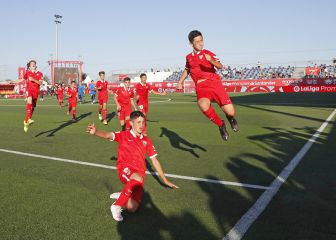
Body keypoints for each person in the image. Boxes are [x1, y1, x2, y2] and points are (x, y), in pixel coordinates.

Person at [86, 111, 178, 221]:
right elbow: (107, 135)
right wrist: (96, 132)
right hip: (124, 169)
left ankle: (123, 194)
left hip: (139, 175)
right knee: (137, 178)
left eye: (143, 122)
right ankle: (116, 206)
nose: (142, 125)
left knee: (132, 208)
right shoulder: (123, 135)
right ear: (131, 123)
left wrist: (165, 180)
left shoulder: (146, 140)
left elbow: (155, 160)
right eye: (138, 122)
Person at [177, 30, 238, 141]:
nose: (201, 43)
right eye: (197, 41)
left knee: (230, 112)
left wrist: (211, 61)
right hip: (202, 87)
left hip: (215, 84)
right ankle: (221, 124)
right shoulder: (188, 57)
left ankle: (231, 118)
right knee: (202, 105)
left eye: (202, 40)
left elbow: (220, 66)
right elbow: (187, 69)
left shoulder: (208, 53)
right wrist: (180, 81)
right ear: (191, 44)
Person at [12, 60, 43, 132]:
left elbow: (40, 83)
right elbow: (21, 80)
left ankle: (26, 121)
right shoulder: (27, 73)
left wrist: (33, 80)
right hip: (29, 90)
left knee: (33, 107)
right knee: (29, 101)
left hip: (36, 92)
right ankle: (28, 120)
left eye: (34, 64)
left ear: (36, 65)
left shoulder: (40, 73)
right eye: (31, 64)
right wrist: (13, 82)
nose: (33, 65)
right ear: (29, 67)